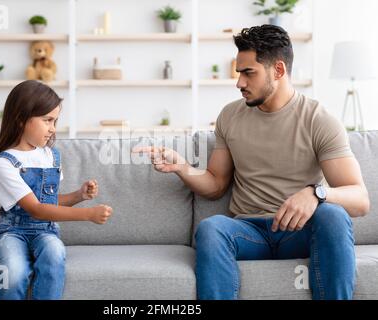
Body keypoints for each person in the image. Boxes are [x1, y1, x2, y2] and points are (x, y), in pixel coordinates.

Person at [133, 25, 370, 300]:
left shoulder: (318, 120)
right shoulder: (231, 116)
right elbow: (215, 184)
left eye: (249, 73)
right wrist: (183, 168)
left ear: (278, 70)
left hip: (298, 231)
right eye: (239, 73)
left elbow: (360, 199)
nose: (239, 83)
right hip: (249, 231)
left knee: (333, 214)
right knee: (211, 228)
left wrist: (316, 194)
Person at [0, 80, 113, 300]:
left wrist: (79, 196)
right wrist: (88, 214)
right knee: (14, 271)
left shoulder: (49, 156)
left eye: (55, 120)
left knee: (55, 253)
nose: (53, 128)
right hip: (10, 233)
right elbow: (36, 209)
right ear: (21, 118)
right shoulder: (3, 163)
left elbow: (49, 201)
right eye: (48, 120)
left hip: (45, 232)